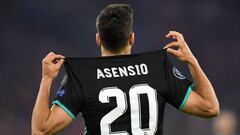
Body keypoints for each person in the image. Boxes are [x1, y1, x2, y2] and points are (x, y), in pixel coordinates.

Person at [32, 4, 220, 135]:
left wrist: (47, 79)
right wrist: (192, 61)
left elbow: (40, 129)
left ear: (98, 39)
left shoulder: (83, 76)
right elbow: (210, 107)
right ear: (132, 38)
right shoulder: (157, 68)